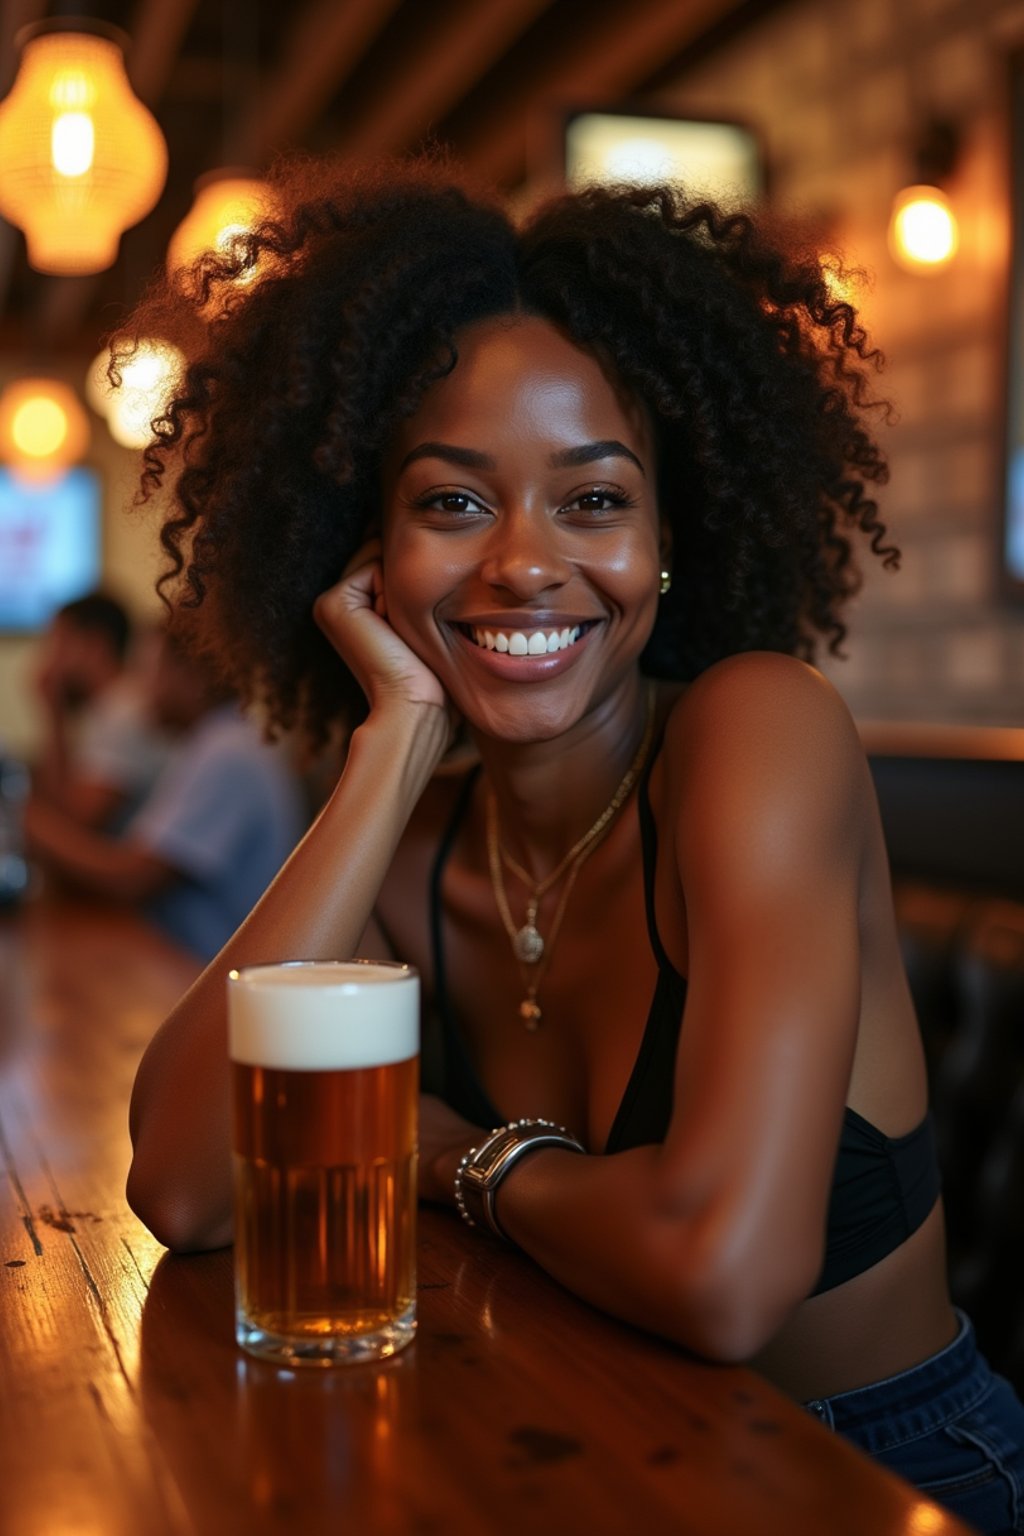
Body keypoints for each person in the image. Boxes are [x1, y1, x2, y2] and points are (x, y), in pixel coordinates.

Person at [123, 157, 1024, 1529]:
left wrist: (445, 1158)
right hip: (583, 1451)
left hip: (882, 1475)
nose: (524, 563)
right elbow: (184, 1185)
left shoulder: (757, 734)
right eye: (453, 502)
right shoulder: (416, 842)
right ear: (369, 550)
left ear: (671, 540)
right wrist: (391, 742)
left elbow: (723, 1276)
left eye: (595, 500)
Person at [26, 625, 306, 961]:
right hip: (190, 963)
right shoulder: (214, 740)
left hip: (208, 974)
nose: (142, 690)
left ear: (194, 674)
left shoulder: (228, 752)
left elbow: (130, 879)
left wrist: (27, 819)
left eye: (150, 670)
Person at [30, 590, 171, 832]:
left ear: (96, 646)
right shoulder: (109, 709)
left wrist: (54, 714)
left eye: (60, 643)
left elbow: (72, 823)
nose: (49, 659)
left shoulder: (125, 715)